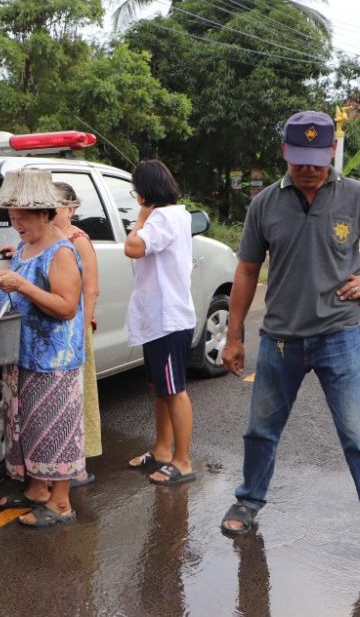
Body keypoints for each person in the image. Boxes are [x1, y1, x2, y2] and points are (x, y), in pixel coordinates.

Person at [219, 111, 360, 579]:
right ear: (285, 152)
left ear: (331, 153)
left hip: (338, 338)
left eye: (317, 160)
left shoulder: (358, 196)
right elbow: (246, 271)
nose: (308, 169)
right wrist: (233, 334)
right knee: (260, 431)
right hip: (280, 341)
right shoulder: (264, 204)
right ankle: (249, 501)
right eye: (299, 159)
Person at [0, 168, 86, 527]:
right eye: (12, 217)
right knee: (28, 425)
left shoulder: (61, 251)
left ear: (44, 212)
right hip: (23, 352)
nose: (16, 223)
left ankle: (60, 502)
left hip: (53, 359)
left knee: (54, 426)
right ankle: (36, 489)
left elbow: (67, 306)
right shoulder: (27, 245)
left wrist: (21, 286)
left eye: (22, 217)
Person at [123, 160, 197, 486]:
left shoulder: (163, 218)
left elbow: (132, 248)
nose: (134, 194)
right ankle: (163, 450)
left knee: (175, 391)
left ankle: (182, 461)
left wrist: (141, 217)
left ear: (144, 191)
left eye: (136, 189)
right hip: (160, 319)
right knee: (161, 390)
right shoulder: (176, 215)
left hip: (168, 320)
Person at [52, 182, 102, 487]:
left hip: (75, 331)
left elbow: (91, 288)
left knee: (78, 397)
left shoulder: (78, 240)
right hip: (56, 329)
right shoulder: (48, 238)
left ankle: (79, 464)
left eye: (57, 204)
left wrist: (81, 331)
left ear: (71, 209)